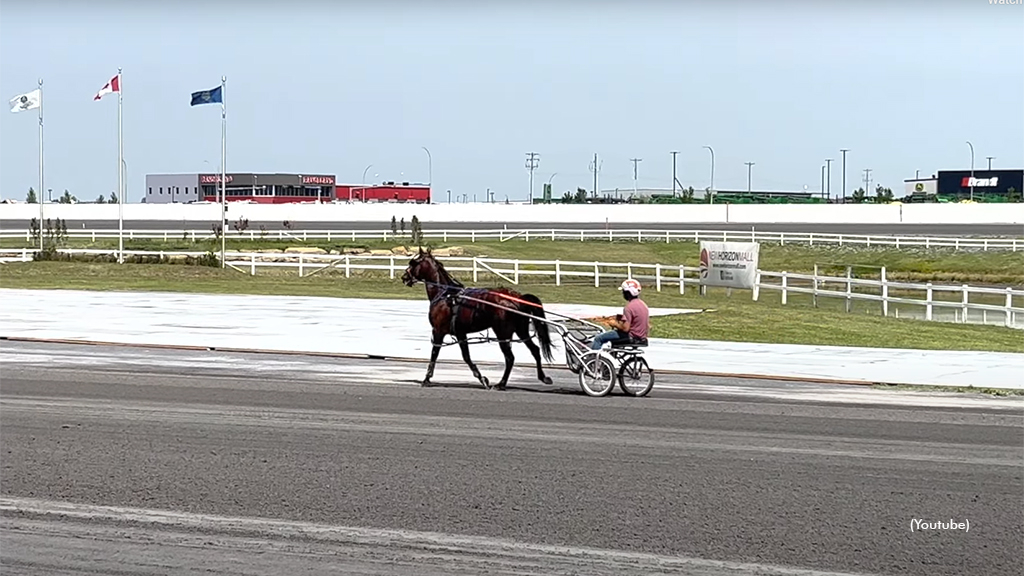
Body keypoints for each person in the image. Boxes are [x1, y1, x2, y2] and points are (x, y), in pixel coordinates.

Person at [590, 278, 650, 350]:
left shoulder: (629, 307)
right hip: (641, 337)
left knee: (598, 339)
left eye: (623, 291)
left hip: (630, 336)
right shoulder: (643, 305)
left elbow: (625, 328)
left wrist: (614, 324)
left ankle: (593, 358)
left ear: (627, 293)